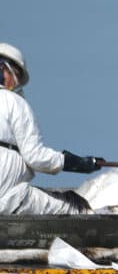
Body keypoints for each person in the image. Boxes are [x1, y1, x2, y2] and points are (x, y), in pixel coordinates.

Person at [0, 42, 103, 215]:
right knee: (75, 208)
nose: (15, 82)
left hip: (10, 197)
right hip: (10, 197)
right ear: (3, 69)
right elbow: (35, 157)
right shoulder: (14, 102)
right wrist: (76, 162)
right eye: (14, 74)